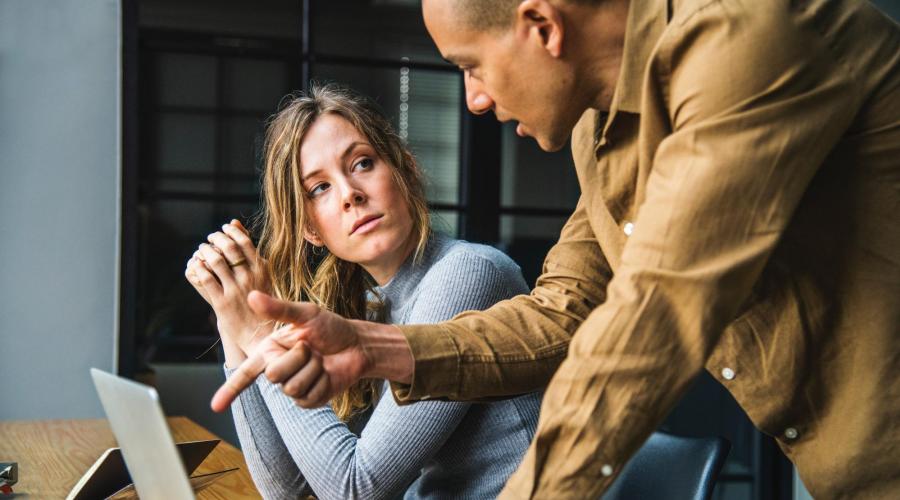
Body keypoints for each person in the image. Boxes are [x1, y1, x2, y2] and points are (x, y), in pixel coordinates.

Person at [214, 0, 900, 498]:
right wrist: (376, 348)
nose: (474, 99)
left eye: (471, 66)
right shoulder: (599, 135)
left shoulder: (747, 40)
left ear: (541, 25)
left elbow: (652, 319)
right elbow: (562, 311)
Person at [187, 84, 542, 499]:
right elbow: (288, 491)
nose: (349, 194)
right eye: (319, 188)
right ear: (310, 229)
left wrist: (260, 336)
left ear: (405, 169)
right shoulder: (371, 307)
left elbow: (356, 491)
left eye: (362, 163)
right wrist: (233, 317)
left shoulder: (467, 274)